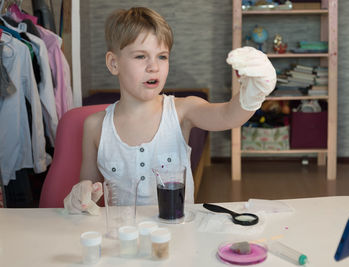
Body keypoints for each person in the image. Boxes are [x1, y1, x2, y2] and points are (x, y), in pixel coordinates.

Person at [64, 7, 276, 214]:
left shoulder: (183, 110)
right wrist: (80, 196)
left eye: (162, 56)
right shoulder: (95, 126)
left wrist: (252, 93)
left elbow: (228, 116)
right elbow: (88, 190)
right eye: (140, 56)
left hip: (178, 238)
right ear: (113, 63)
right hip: (124, 242)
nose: (153, 67)